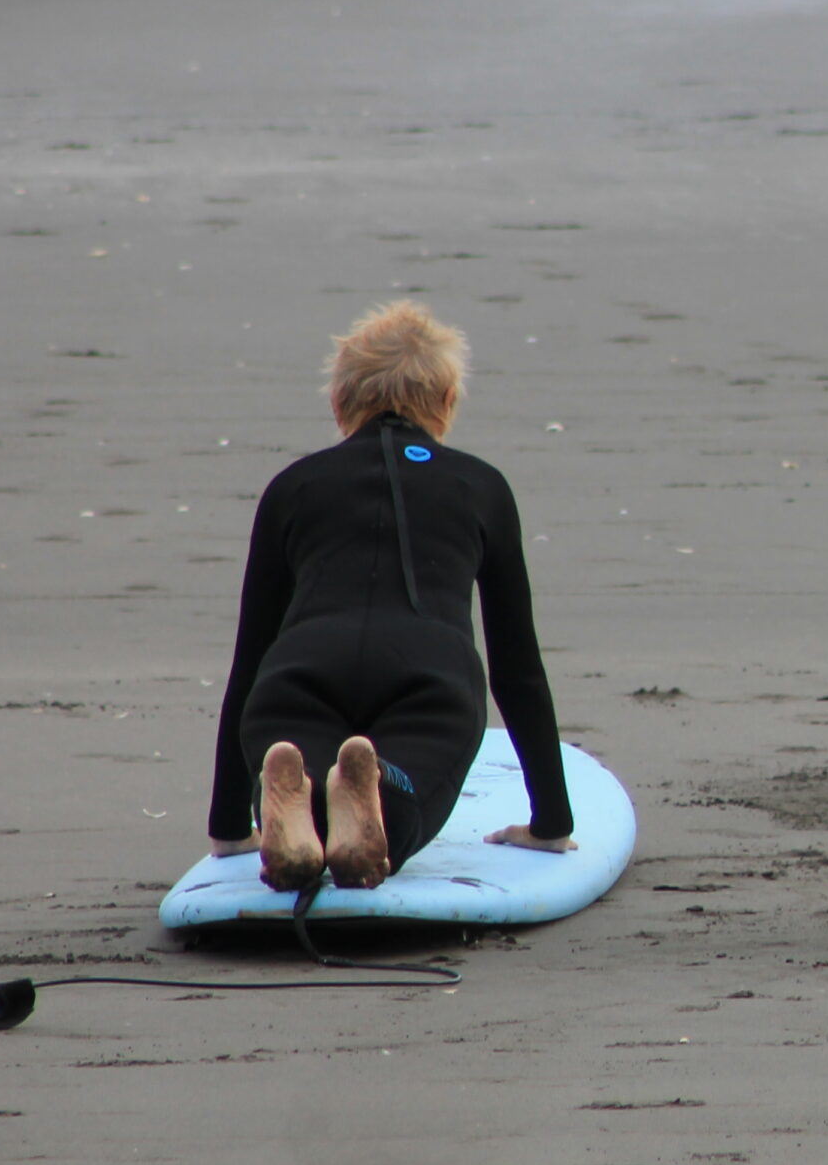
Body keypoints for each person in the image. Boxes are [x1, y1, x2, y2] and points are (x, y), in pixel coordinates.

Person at [206, 301, 575, 891]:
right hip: (428, 678)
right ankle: (380, 789)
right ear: (448, 401)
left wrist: (227, 826)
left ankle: (288, 803)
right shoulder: (481, 487)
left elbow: (249, 660)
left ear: (337, 402)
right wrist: (551, 821)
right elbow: (518, 670)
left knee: (294, 753)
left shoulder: (292, 487)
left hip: (300, 672)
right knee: (400, 790)